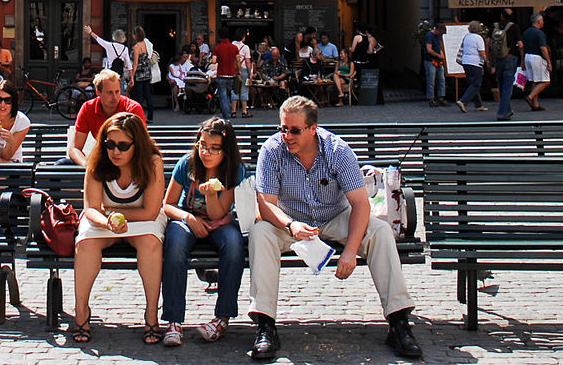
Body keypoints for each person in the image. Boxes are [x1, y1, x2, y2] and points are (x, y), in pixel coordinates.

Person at [248, 96, 421, 360]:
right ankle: (265, 325)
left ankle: (398, 322)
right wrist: (291, 225)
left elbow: (361, 204)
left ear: (313, 129)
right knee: (261, 233)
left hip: (335, 215)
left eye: (294, 130)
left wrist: (350, 251)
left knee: (380, 232)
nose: (287, 136)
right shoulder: (272, 151)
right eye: (283, 128)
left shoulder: (338, 151)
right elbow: (265, 204)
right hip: (290, 219)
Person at [70, 111, 166, 344]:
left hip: (143, 219)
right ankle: (81, 311)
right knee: (86, 243)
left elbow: (151, 211)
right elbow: (91, 208)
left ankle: (151, 314)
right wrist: (108, 222)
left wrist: (117, 216)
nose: (116, 151)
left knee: (151, 244)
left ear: (137, 144)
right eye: (110, 144)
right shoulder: (98, 160)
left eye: (123, 146)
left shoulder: (152, 162)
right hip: (104, 219)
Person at [160, 117, 246, 346]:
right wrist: (188, 218)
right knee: (175, 244)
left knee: (234, 244)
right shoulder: (187, 164)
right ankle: (173, 320)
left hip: (219, 222)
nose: (207, 153)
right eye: (203, 146)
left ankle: (222, 317)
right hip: (186, 219)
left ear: (225, 150)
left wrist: (209, 194)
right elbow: (168, 205)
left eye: (214, 148)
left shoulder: (234, 170)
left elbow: (219, 214)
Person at [67, 68, 146, 164]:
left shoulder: (132, 109)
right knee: (60, 165)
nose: (115, 97)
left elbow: (141, 146)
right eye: (109, 93)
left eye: (117, 92)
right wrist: (86, 165)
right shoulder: (88, 108)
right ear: (98, 92)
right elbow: (74, 148)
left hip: (129, 161)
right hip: (102, 160)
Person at [490, 8, 520, 121]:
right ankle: (502, 112)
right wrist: (522, 59)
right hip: (510, 58)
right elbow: (520, 44)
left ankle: (507, 110)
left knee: (502, 85)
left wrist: (490, 60)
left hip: (498, 59)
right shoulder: (514, 27)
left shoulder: (494, 26)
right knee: (507, 86)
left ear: (502, 16)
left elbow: (488, 42)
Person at [455, 22, 488, 113]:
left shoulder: (467, 37)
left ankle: (478, 105)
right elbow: (481, 52)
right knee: (476, 84)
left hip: (466, 62)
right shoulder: (478, 38)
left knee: (472, 83)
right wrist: (486, 60)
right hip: (475, 62)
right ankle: (463, 101)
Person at [521, 13, 552, 111]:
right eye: (542, 21)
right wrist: (549, 62)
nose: (543, 22)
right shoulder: (539, 33)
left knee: (535, 80)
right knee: (546, 81)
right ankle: (530, 96)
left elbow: (522, 46)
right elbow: (543, 48)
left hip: (527, 56)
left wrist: (522, 60)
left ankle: (535, 104)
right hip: (537, 58)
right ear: (539, 21)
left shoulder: (526, 32)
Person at [128, 26, 157, 120]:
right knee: (148, 94)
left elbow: (135, 62)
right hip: (147, 72)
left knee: (139, 96)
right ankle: (151, 116)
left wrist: (132, 75)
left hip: (139, 73)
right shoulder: (146, 44)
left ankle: (139, 116)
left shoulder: (136, 47)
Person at [211, 31, 239, 120]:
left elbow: (214, 61)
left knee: (223, 96)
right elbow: (238, 60)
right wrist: (238, 71)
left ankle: (227, 114)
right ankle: (230, 111)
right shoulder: (234, 47)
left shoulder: (217, 48)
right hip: (232, 74)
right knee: (229, 94)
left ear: (220, 38)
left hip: (221, 74)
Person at [422, 24, 447, 107]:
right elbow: (429, 49)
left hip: (438, 62)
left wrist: (442, 54)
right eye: (442, 33)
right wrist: (439, 55)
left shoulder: (438, 36)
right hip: (430, 61)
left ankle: (441, 98)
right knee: (431, 81)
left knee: (441, 80)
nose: (442, 35)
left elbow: (439, 47)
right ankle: (431, 99)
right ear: (438, 30)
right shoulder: (430, 36)